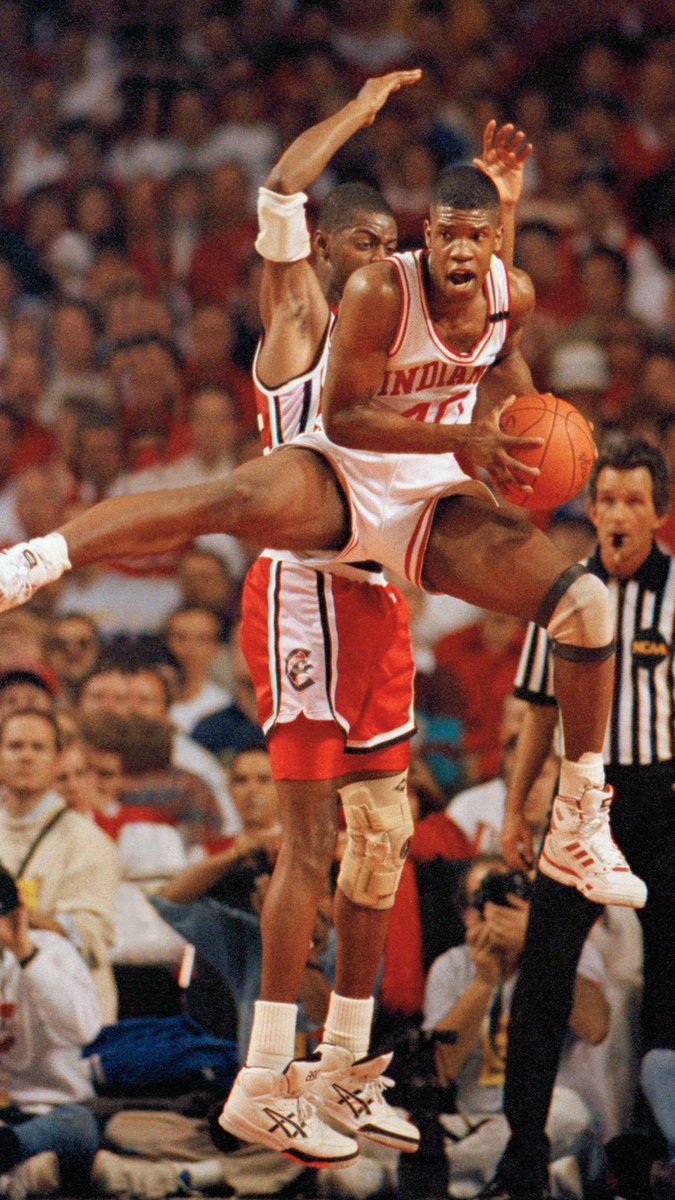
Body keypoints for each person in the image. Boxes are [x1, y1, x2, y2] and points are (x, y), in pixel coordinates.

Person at [0, 78, 646, 1148]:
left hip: (387, 561)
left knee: (382, 842)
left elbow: (485, 318)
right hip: (312, 544)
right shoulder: (313, 306)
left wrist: (499, 206)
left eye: (394, 239)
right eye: (369, 241)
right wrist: (356, 113)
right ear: (337, 249)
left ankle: (344, 1065)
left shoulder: (465, 289)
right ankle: (39, 557)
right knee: (304, 829)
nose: (381, 253)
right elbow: (286, 197)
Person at [485, 437, 675, 1200]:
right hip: (578, 798)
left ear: (658, 513)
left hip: (661, 797)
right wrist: (513, 809)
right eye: (607, 500)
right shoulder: (562, 592)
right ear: (590, 510)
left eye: (634, 501)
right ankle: (522, 1155)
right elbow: (536, 710)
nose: (618, 514)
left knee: (668, 980)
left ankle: (654, 1151)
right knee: (541, 978)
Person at [422, 855, 609, 1199]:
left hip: (547, 1116)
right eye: (486, 899)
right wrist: (483, 982)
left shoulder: (567, 950)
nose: (499, 910)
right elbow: (440, 1072)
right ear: (466, 914)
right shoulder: (450, 966)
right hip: (472, 1123)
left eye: (512, 895)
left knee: (569, 1114)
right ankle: (480, 1179)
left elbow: (596, 1029)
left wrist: (541, 946)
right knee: (398, 1127)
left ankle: (444, 1173)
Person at [0, 707, 120, 1023]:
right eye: (15, 746)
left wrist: (16, 917)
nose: (26, 756)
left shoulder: (87, 841)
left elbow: (88, 938)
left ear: (56, 762)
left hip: (67, 1021)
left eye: (38, 748)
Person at [0, 865, 102, 1198]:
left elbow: (83, 1030)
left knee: (78, 1127)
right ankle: (20, 1173)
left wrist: (26, 955)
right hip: (5, 1116)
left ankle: (15, 1162)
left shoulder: (53, 952)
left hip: (56, 1113)